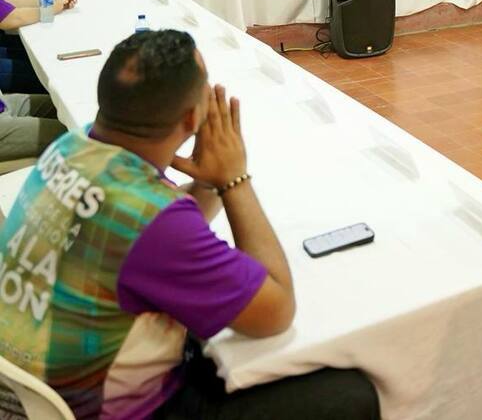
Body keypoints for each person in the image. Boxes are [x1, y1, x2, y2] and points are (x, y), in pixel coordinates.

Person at [0, 30, 380, 419]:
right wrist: (235, 181)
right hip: (123, 409)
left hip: (45, 383)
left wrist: (209, 180)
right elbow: (276, 312)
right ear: (192, 117)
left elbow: (150, 227)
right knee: (350, 394)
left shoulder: (75, 147)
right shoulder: (155, 223)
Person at [0, 0, 74, 160]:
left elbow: (4, 2)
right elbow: (11, 18)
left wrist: (44, 2)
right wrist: (48, 8)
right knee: (80, 135)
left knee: (66, 103)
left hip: (3, 104)